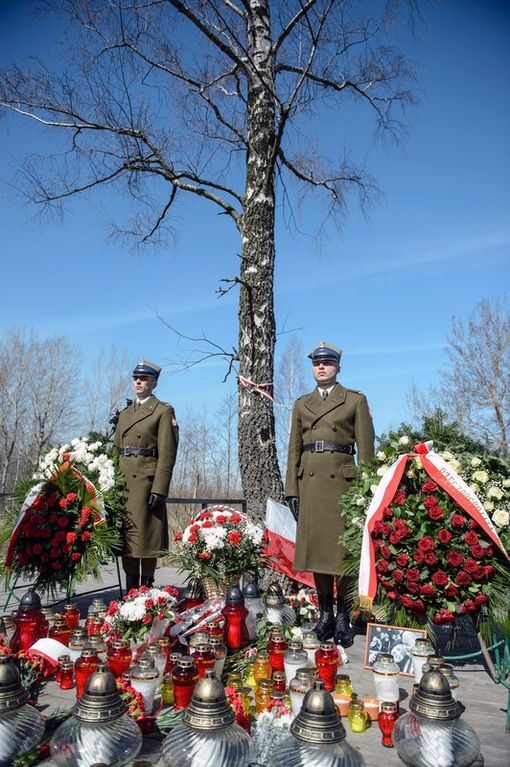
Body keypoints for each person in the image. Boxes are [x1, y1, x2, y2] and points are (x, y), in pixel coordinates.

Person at [285, 341, 375, 647]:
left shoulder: (354, 400)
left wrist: (367, 490)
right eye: (317, 363)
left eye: (327, 362)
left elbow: (367, 450)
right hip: (310, 483)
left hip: (343, 485)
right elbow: (293, 449)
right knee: (319, 552)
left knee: (342, 554)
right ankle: (324, 614)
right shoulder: (302, 404)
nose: (321, 367)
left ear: (338, 367)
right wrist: (291, 490)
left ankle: (343, 617)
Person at [114, 360, 179, 591]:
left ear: (154, 383)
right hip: (123, 485)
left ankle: (146, 590)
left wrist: (160, 488)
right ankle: (130, 591)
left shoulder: (162, 411)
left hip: (146, 484)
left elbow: (168, 452)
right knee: (127, 539)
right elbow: (116, 450)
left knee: (146, 539)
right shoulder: (124, 414)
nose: (138, 382)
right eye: (135, 378)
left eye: (143, 378)